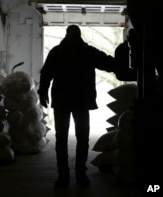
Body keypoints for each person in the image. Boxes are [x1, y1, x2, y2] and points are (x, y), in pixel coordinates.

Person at [37, 25, 116, 188]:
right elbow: (108, 63)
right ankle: (80, 174)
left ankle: (64, 176)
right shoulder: (86, 51)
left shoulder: (58, 52)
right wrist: (124, 63)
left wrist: (43, 92)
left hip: (63, 101)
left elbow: (46, 74)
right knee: (81, 139)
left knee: (63, 139)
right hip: (80, 102)